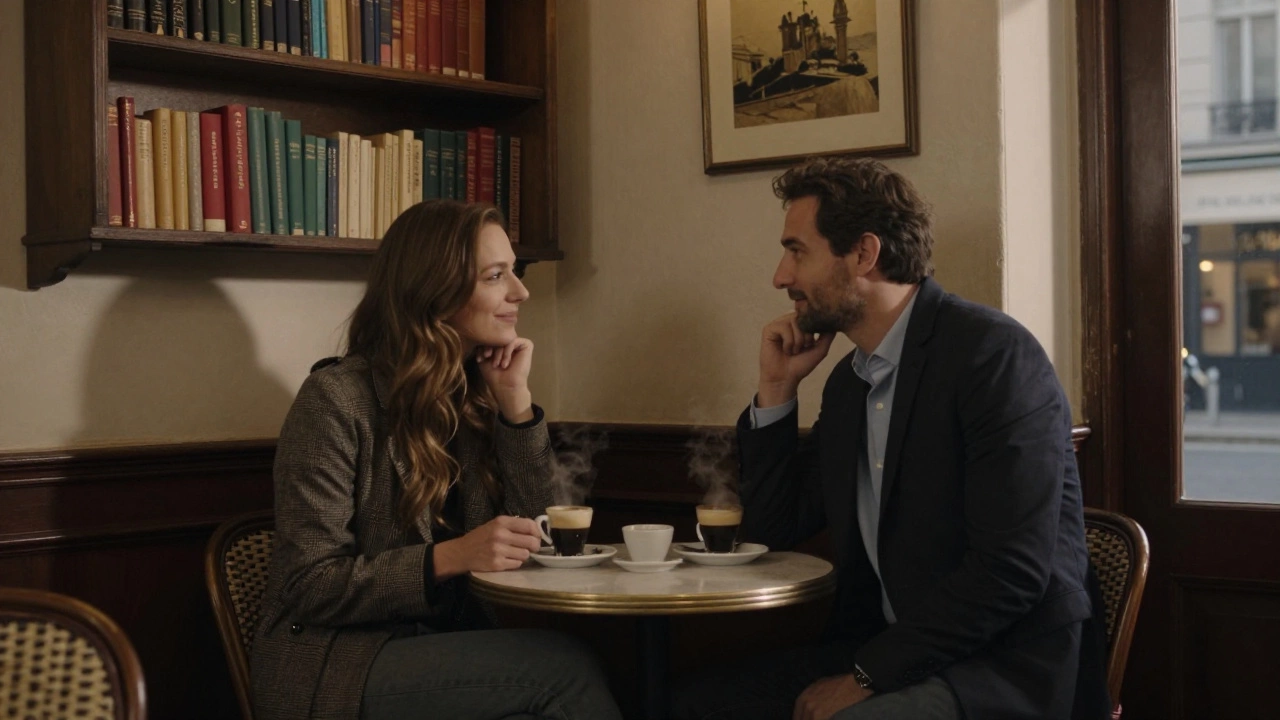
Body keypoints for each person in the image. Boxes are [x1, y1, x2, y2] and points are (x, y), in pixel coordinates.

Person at [673, 158, 1110, 720]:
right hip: (883, 649)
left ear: (864, 254)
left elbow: (1010, 571)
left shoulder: (993, 356)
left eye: (797, 250)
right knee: (689, 705)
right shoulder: (850, 383)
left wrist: (867, 678)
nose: (781, 277)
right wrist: (777, 389)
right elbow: (773, 532)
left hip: (1001, 668)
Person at [250, 201, 624, 720]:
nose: (521, 292)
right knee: (560, 667)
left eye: (513, 272)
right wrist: (449, 557)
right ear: (435, 291)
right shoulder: (334, 400)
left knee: (579, 666)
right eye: (497, 276)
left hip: (448, 647)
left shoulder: (473, 395)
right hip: (342, 661)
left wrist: (515, 406)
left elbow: (546, 534)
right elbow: (308, 584)